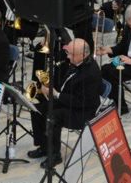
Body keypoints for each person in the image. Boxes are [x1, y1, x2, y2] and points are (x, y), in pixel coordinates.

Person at [27, 38, 101, 169]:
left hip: (82, 112)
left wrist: (56, 94)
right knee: (36, 108)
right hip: (68, 101)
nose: (67, 56)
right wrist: (48, 86)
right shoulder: (75, 62)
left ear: (83, 55)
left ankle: (55, 155)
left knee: (52, 116)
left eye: (70, 54)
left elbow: (81, 101)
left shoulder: (90, 74)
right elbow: (63, 84)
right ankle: (44, 147)